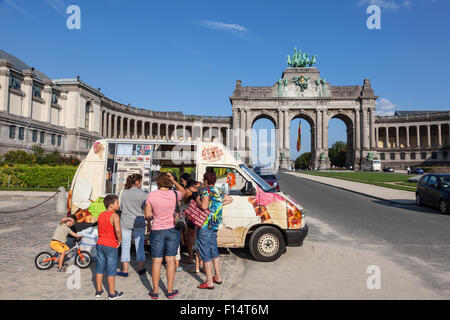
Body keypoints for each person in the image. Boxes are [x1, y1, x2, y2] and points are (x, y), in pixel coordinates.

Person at [145, 172, 186, 299]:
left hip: (157, 230)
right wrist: (174, 180)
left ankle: (155, 291)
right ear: (169, 182)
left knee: (156, 261)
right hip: (172, 229)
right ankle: (169, 291)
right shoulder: (175, 194)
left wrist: (149, 222)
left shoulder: (151, 195)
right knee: (171, 261)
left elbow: (147, 215)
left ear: (157, 182)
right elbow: (183, 190)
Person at [196, 170, 233, 289]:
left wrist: (197, 200)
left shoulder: (206, 191)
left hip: (205, 225)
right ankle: (217, 276)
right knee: (213, 249)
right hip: (215, 224)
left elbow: (204, 206)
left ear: (206, 181)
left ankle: (209, 281)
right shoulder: (219, 191)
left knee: (205, 251)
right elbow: (230, 199)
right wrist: (218, 205)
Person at [117, 174, 148, 277]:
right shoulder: (143, 194)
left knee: (125, 246)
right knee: (140, 246)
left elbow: (120, 206)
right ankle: (141, 268)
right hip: (139, 221)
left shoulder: (123, 192)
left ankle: (125, 270)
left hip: (125, 221)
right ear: (137, 182)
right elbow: (145, 208)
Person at [95, 194, 123, 300]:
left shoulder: (101, 215)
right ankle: (112, 293)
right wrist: (120, 240)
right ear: (111, 205)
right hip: (110, 244)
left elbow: (99, 229)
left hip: (100, 242)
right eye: (117, 202)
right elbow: (117, 230)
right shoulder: (115, 215)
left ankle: (98, 290)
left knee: (100, 266)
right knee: (111, 268)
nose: (118, 204)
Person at [182, 179, 202, 264]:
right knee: (199, 239)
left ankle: (190, 258)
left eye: (182, 181)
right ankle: (200, 260)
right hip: (200, 216)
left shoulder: (188, 191)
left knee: (190, 238)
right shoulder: (201, 189)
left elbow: (184, 201)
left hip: (192, 216)